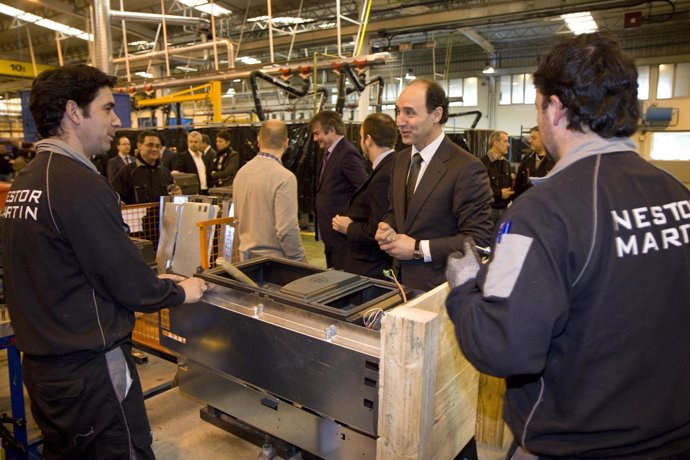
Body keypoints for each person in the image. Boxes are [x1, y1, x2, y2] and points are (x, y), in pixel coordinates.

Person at [445, 32, 690, 459]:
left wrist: (465, 287)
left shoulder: (540, 214)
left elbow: (502, 347)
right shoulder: (676, 195)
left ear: (555, 108)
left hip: (578, 444)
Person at [2, 64, 207, 460]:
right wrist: (180, 291)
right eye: (108, 108)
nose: (117, 120)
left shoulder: (26, 180)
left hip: (47, 372)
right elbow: (129, 285)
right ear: (74, 113)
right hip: (90, 371)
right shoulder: (78, 183)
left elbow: (70, 265)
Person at [374, 78, 492, 291]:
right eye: (398, 111)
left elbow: (478, 242)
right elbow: (398, 212)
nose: (400, 121)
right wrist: (388, 226)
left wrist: (419, 249)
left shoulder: (466, 168)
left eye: (410, 113)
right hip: (400, 285)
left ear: (436, 115)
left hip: (441, 292)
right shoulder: (400, 161)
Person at [332, 113, 396, 279]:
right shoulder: (394, 165)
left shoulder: (383, 176)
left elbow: (379, 228)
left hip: (372, 265)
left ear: (368, 139)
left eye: (361, 137)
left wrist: (348, 228)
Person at [233, 119, 307, 262]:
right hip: (273, 264)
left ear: (258, 140)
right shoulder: (285, 178)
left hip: (245, 259)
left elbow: (237, 217)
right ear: (286, 143)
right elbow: (287, 230)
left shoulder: (241, 173)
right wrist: (300, 261)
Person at [311, 110, 369, 269]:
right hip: (332, 235)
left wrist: (351, 219)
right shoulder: (330, 154)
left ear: (331, 130)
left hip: (341, 236)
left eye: (317, 133)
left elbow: (364, 189)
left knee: (341, 278)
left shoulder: (347, 153)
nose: (315, 139)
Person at [111, 130, 178, 204]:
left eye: (158, 146)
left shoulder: (165, 173)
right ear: (139, 146)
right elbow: (114, 196)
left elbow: (173, 196)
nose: (155, 149)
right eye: (150, 145)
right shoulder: (127, 172)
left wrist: (177, 195)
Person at [481, 130, 514, 230]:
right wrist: (499, 193)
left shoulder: (506, 163)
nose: (508, 145)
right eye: (505, 141)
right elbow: (480, 189)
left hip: (504, 210)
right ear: (496, 143)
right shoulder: (483, 163)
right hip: (489, 211)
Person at [512, 126, 554, 199]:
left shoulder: (555, 160)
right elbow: (518, 185)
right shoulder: (526, 159)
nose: (529, 141)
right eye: (530, 138)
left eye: (534, 138)